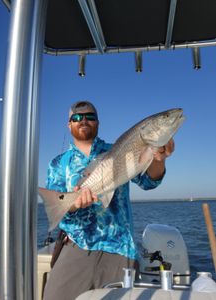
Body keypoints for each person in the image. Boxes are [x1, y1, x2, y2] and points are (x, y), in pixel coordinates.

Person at [43, 101, 175, 300]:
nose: (83, 120)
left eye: (90, 116)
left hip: (119, 245)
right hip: (77, 245)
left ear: (98, 122)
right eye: (77, 118)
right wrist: (73, 203)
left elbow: (149, 182)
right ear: (69, 125)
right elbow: (59, 205)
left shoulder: (118, 149)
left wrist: (159, 159)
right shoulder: (57, 164)